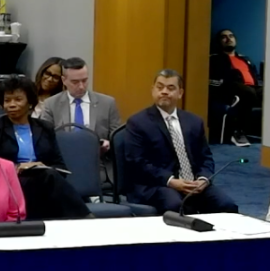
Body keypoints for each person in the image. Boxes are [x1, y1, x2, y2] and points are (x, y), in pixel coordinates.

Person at [124, 69, 238, 215]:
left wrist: (203, 179)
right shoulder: (138, 123)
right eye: (160, 87)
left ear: (180, 93)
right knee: (178, 206)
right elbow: (137, 163)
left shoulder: (194, 122)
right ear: (153, 90)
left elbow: (206, 157)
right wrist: (171, 181)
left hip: (194, 184)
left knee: (227, 206)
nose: (164, 92)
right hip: (158, 185)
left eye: (170, 88)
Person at [0, 76, 91, 220]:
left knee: (48, 176)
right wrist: (18, 167)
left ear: (30, 102)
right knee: (48, 177)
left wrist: (41, 166)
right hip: (11, 181)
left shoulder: (45, 128)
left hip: (42, 182)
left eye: (18, 99)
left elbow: (60, 166)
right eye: (7, 100)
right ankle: (85, 218)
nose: (11, 105)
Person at [41, 57, 121, 154]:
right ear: (64, 80)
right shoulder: (51, 104)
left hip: (99, 161)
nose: (81, 86)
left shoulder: (107, 103)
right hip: (63, 161)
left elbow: (118, 139)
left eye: (84, 80)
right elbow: (45, 139)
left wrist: (108, 144)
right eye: (75, 82)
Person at [209, 29, 261, 147]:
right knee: (247, 92)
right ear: (219, 42)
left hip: (253, 88)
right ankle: (237, 132)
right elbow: (211, 80)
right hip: (231, 88)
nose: (229, 39)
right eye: (224, 37)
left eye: (231, 36)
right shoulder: (215, 59)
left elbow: (257, 77)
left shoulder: (245, 59)